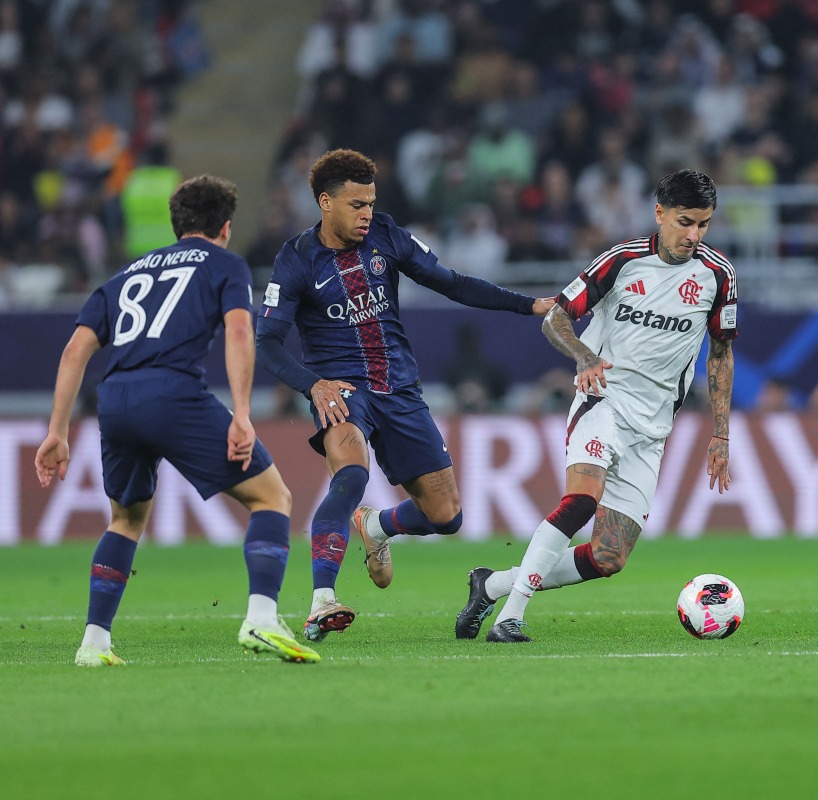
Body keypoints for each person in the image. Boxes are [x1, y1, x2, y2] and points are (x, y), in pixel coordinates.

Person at [255, 148, 553, 642]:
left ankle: (377, 526)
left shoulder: (387, 235)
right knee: (351, 475)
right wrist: (314, 384)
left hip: (400, 390)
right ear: (325, 203)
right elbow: (266, 341)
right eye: (356, 204)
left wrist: (528, 305)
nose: (367, 213)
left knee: (446, 516)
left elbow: (452, 283)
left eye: (371, 203)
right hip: (343, 392)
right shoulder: (297, 258)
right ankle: (322, 600)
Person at [34, 175, 318, 666]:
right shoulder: (225, 264)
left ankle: (94, 643)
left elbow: (75, 349)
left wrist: (56, 432)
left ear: (176, 224)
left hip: (115, 399)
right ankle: (262, 618)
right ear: (225, 227)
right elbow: (238, 332)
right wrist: (243, 413)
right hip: (171, 393)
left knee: (125, 519)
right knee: (271, 497)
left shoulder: (125, 274)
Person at [451, 168, 738, 643]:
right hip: (603, 400)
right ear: (660, 213)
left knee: (609, 557)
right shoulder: (622, 261)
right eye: (685, 222)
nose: (694, 235)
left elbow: (721, 353)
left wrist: (721, 432)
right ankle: (510, 616)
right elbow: (556, 317)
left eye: (703, 224)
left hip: (652, 428)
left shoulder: (717, 276)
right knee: (581, 501)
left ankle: (493, 586)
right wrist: (585, 356)